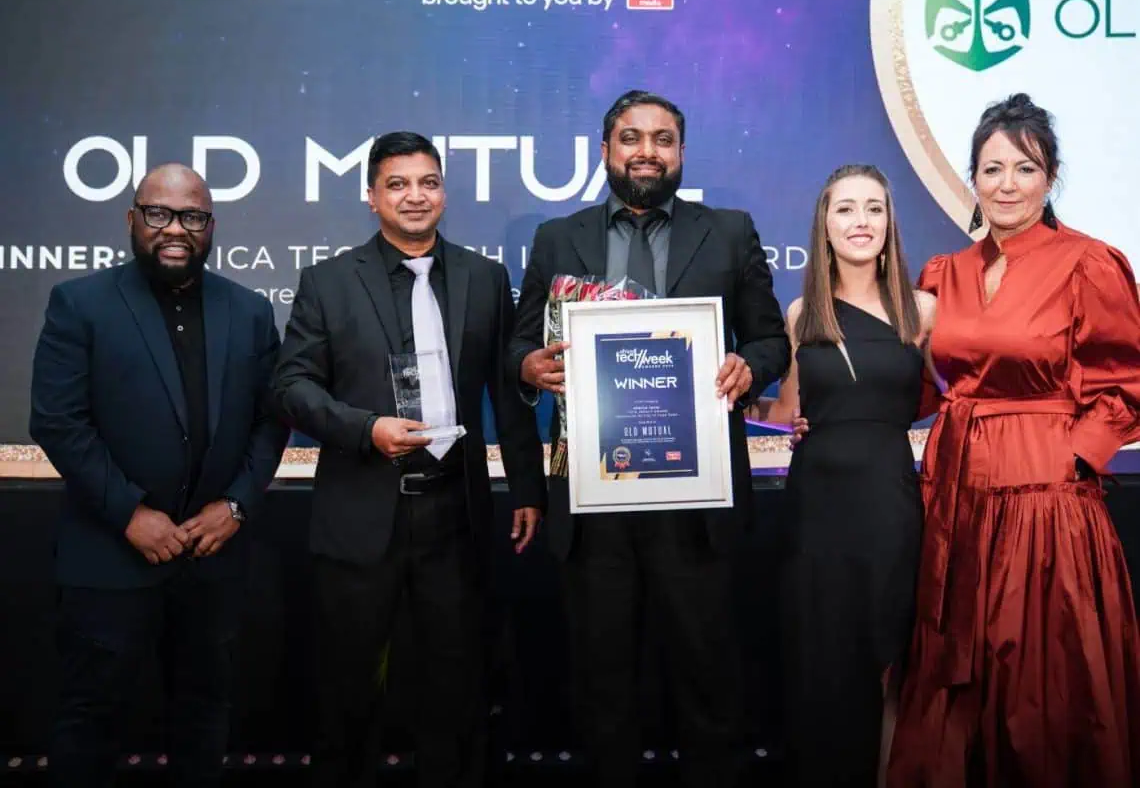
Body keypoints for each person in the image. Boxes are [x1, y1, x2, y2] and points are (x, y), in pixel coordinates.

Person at [509, 90, 790, 788]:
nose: (647, 152)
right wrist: (529, 365)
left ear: (681, 153)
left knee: (709, 685)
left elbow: (769, 339)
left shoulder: (728, 232)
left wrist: (749, 365)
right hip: (593, 501)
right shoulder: (557, 238)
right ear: (605, 149)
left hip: (697, 502)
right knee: (603, 691)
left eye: (663, 140)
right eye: (631, 138)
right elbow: (518, 341)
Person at [271, 131, 546, 788]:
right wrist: (366, 429)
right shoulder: (329, 282)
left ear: (444, 192)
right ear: (371, 197)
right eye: (397, 184)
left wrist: (528, 489)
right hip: (362, 513)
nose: (414, 196)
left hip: (457, 514)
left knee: (458, 691)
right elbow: (290, 387)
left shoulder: (485, 278)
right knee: (349, 695)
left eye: (428, 182)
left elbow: (508, 392)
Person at [883, 94, 1140, 786]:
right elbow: (922, 385)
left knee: (1039, 673)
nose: (1006, 185)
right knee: (954, 672)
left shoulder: (1089, 263)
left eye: (1024, 169)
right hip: (955, 497)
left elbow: (1127, 382)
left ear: (1049, 177)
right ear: (972, 178)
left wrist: (1074, 458)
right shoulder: (944, 272)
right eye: (991, 169)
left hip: (1045, 503)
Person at [29, 163, 289, 787]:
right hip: (108, 556)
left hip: (212, 560)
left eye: (192, 216)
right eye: (159, 214)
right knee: (89, 722)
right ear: (132, 219)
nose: (176, 229)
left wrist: (237, 505)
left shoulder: (250, 311)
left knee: (204, 718)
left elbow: (272, 420)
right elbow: (58, 422)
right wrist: (129, 513)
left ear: (210, 226)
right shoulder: (80, 303)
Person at [747, 164, 934, 785]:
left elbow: (963, 394)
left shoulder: (923, 311)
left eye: (873, 208)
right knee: (822, 659)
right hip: (816, 508)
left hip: (888, 505)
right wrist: (716, 392)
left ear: (890, 223)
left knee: (886, 655)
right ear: (823, 224)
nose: (860, 221)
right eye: (845, 208)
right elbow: (785, 411)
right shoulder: (803, 313)